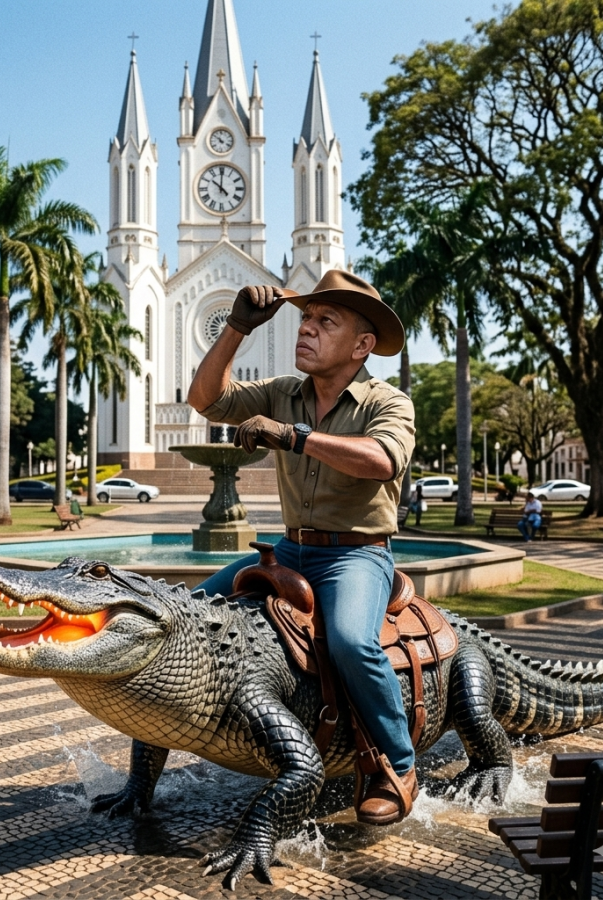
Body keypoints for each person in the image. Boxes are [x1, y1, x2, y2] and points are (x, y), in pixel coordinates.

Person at [187, 270, 417, 825]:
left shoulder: (390, 402)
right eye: (306, 318)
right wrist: (237, 329)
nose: (306, 329)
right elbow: (205, 399)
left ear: (363, 345)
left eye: (324, 321)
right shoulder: (282, 391)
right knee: (188, 612)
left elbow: (383, 460)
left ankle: (398, 766)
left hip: (356, 555)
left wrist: (294, 436)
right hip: (289, 552)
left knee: (350, 642)